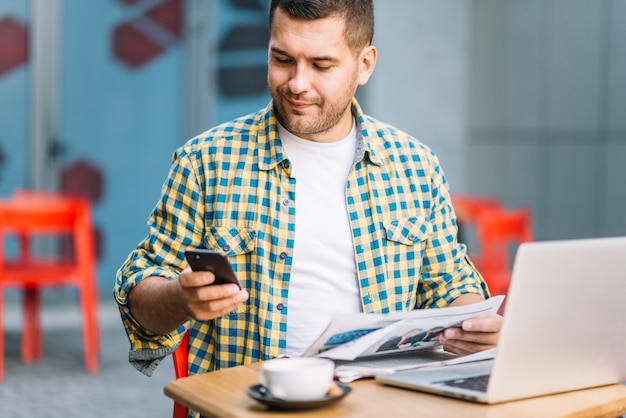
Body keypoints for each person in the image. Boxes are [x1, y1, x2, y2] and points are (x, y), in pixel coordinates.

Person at [114, 0, 502, 384]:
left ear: (364, 64)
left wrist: (475, 323)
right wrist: (182, 299)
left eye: (321, 65)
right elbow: (141, 299)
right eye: (282, 59)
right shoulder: (205, 161)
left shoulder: (416, 165)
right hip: (246, 404)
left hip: (380, 403)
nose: (297, 84)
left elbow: (450, 285)